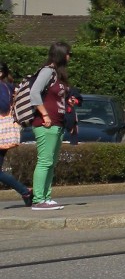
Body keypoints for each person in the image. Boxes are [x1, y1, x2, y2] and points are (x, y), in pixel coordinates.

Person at [28, 41, 71, 211]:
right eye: (68, 53)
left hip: (57, 124)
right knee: (45, 161)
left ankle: (46, 197)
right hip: (46, 124)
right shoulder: (47, 71)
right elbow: (34, 92)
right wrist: (45, 115)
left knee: (51, 163)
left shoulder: (58, 74)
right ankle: (38, 199)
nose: (69, 57)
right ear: (60, 54)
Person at [0, 62, 33, 207]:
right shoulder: (6, 86)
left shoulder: (2, 87)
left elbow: (4, 106)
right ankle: (25, 191)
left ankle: (25, 191)